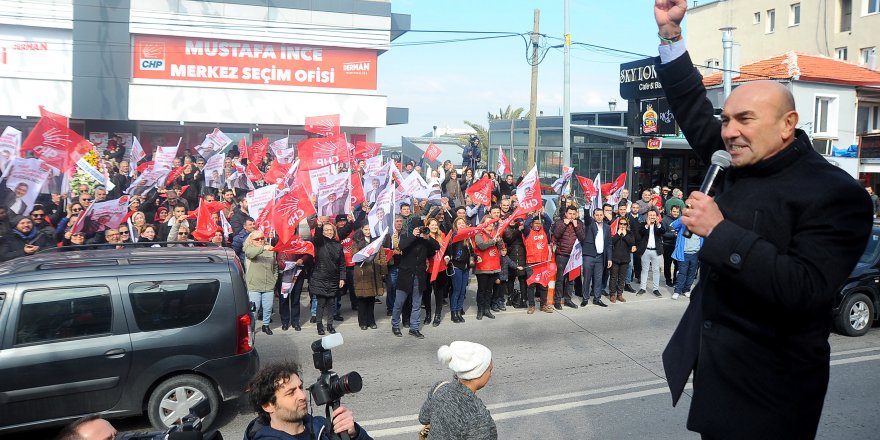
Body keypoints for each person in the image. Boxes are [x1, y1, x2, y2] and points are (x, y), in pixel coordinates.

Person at [654, 2, 873, 438]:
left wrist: (719, 232)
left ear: (787, 124)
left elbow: (805, 288)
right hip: (719, 377)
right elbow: (694, 108)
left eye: (745, 119)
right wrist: (671, 35)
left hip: (774, 393)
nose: (729, 131)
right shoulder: (738, 160)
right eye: (727, 119)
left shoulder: (837, 194)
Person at [244, 361, 373, 440]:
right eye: (291, 393)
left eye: (300, 387)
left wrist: (355, 434)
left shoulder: (322, 427)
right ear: (268, 406)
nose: (302, 396)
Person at [419, 341, 497, 440]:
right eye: (490, 369)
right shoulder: (477, 415)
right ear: (479, 373)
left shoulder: (439, 388)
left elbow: (423, 418)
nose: (491, 374)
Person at [391, 222, 440, 339]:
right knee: (399, 302)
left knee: (416, 304)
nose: (420, 231)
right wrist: (413, 236)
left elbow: (437, 247)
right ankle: (395, 325)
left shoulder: (425, 240)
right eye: (418, 229)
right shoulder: (406, 236)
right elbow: (401, 246)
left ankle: (414, 328)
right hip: (405, 275)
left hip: (419, 276)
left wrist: (427, 237)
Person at [310, 221, 345, 336]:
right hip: (320, 277)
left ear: (334, 232)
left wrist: (342, 278)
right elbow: (317, 237)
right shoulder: (320, 242)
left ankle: (330, 325)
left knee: (331, 303)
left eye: (330, 230)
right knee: (321, 303)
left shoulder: (338, 245)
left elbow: (342, 264)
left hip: (333, 278)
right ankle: (319, 326)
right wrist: (319, 227)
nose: (329, 232)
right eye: (326, 230)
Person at [351, 223, 387, 330]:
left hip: (374, 272)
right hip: (362, 273)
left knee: (372, 299)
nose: (368, 231)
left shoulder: (376, 242)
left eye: (369, 229)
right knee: (362, 299)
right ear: (362, 229)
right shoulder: (356, 243)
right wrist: (365, 256)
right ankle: (362, 322)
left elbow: (382, 256)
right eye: (366, 229)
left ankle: (371, 320)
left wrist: (383, 271)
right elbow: (355, 257)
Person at [551, 205, 586, 309]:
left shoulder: (579, 223)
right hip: (562, 254)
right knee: (560, 279)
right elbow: (556, 235)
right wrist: (564, 225)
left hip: (573, 256)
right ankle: (557, 300)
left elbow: (583, 238)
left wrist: (576, 227)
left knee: (571, 279)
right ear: (566, 214)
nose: (571, 216)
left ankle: (568, 299)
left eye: (574, 214)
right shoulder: (559, 223)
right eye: (570, 213)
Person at [244, 230, 278, 335]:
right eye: (257, 239)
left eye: (262, 238)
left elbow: (275, 266)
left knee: (268, 308)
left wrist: (274, 279)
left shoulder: (271, 249)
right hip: (254, 285)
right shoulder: (249, 249)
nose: (260, 240)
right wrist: (263, 248)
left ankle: (266, 325)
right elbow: (250, 254)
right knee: (254, 309)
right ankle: (252, 328)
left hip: (268, 284)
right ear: (251, 240)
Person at [581, 207, 612, 307]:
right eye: (597, 215)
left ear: (603, 215)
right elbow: (586, 217)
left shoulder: (607, 227)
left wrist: (609, 258)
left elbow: (609, 244)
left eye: (601, 215)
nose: (599, 217)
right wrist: (587, 206)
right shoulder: (590, 224)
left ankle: (597, 298)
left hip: (600, 257)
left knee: (598, 279)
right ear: (594, 216)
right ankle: (585, 298)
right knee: (587, 278)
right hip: (589, 256)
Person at [445, 217, 473, 323]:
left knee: (462, 291)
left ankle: (459, 310)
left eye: (463, 223)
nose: (461, 225)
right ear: (456, 225)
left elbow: (471, 251)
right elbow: (448, 250)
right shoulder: (453, 236)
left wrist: (475, 256)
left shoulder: (467, 237)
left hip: (465, 267)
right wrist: (447, 258)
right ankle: (454, 312)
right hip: (456, 266)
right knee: (456, 290)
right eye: (459, 223)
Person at [635, 210, 664, 297]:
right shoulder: (643, 225)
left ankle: (656, 289)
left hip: (656, 251)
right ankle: (642, 288)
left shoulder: (659, 225)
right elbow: (640, 233)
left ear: (656, 216)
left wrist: (658, 224)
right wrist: (647, 225)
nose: (652, 217)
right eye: (650, 215)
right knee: (644, 270)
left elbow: (663, 232)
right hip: (645, 250)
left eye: (654, 215)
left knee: (656, 270)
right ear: (647, 216)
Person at [608, 217, 635, 303]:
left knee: (622, 278)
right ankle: (612, 294)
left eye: (624, 224)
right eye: (621, 224)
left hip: (625, 259)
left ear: (627, 225)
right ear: (618, 224)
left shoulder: (630, 233)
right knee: (613, 277)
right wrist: (618, 234)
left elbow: (631, 243)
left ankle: (619, 294)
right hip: (615, 258)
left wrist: (625, 234)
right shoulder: (614, 232)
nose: (622, 226)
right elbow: (611, 242)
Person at [661, 205, 681, 287]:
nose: (676, 213)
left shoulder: (681, 219)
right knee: (667, 264)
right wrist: (673, 235)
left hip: (678, 246)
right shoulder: (665, 219)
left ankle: (675, 280)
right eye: (674, 211)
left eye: (677, 212)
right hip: (667, 245)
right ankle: (668, 280)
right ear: (670, 211)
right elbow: (663, 233)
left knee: (677, 264)